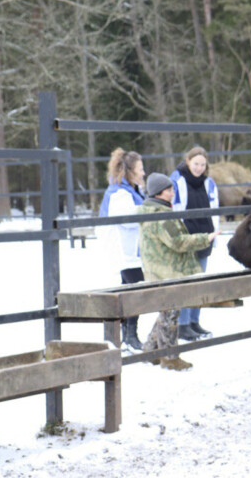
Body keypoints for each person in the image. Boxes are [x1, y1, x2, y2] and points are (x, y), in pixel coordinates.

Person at [138, 173, 218, 370]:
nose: (173, 193)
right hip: (167, 271)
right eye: (169, 190)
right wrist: (204, 238)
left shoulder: (154, 211)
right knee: (170, 311)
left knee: (167, 311)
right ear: (159, 193)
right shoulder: (160, 215)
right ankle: (170, 357)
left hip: (160, 269)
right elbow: (177, 241)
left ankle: (151, 350)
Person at [168, 146, 219, 341]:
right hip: (187, 238)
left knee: (199, 281)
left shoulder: (209, 183)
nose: (198, 168)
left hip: (204, 236)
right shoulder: (177, 180)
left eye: (202, 164)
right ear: (188, 161)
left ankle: (194, 321)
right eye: (195, 164)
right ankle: (183, 323)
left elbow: (215, 208)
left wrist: (214, 236)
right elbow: (174, 210)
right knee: (187, 281)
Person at [98, 148, 146, 351]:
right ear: (130, 171)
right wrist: (148, 210)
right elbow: (128, 221)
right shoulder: (120, 193)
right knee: (134, 292)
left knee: (129, 292)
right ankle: (129, 336)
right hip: (124, 252)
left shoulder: (130, 190)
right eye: (140, 169)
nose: (144, 173)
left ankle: (125, 335)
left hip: (130, 252)